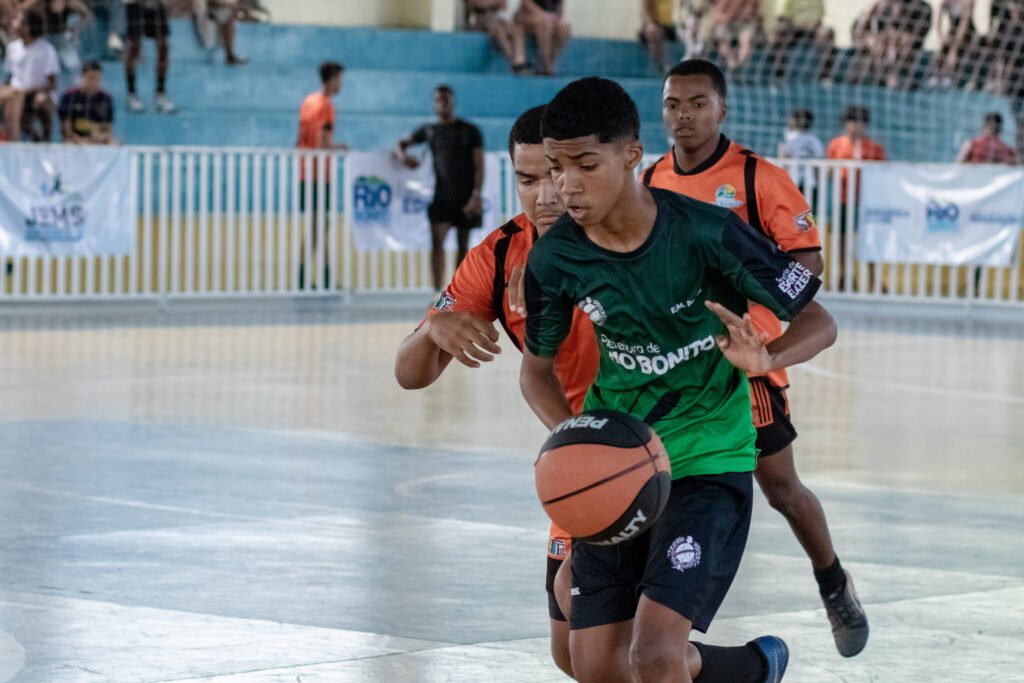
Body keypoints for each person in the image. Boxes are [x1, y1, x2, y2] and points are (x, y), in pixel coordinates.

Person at [522, 75, 838, 683]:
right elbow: (535, 372)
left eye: (585, 165)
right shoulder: (556, 258)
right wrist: (578, 443)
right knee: (595, 667)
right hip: (620, 464)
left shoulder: (706, 231)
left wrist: (767, 358)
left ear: (632, 155)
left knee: (655, 654)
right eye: (557, 168)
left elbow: (820, 321)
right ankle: (751, 669)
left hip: (706, 462)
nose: (566, 185)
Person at [641, 60, 868, 659]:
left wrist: (756, 309)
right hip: (675, 367)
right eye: (672, 104)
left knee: (781, 488)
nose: (683, 115)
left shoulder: (757, 177)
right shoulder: (650, 179)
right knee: (663, 482)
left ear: (722, 109)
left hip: (746, 365)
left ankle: (832, 580)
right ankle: (663, 615)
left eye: (697, 103)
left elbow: (807, 265)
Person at [396, 105, 598, 678]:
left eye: (555, 174)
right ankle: (750, 667)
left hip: (663, 448)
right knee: (572, 654)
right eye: (527, 179)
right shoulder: (501, 252)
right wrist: (435, 328)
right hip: (588, 457)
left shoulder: (628, 235)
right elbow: (409, 373)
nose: (545, 196)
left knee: (616, 640)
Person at [395, 85, 484, 292]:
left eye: (446, 99)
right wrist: (403, 158)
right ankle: (437, 293)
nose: (442, 103)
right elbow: (402, 144)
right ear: (434, 104)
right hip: (442, 197)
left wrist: (476, 195)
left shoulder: (470, 131)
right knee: (437, 244)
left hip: (465, 197)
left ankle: (459, 293)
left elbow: (479, 166)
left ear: (453, 102)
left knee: (463, 246)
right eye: (438, 100)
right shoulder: (429, 131)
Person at [296, 61, 346, 288]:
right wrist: (341, 147)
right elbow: (323, 143)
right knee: (319, 225)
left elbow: (300, 139)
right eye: (339, 79)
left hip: (305, 171)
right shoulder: (326, 106)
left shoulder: (308, 101)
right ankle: (306, 277)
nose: (341, 84)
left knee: (319, 224)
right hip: (319, 174)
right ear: (332, 79)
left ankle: (320, 276)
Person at [827, 105, 886, 291]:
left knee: (870, 240)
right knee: (842, 239)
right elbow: (829, 171)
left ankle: (874, 280)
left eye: (860, 122)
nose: (856, 125)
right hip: (844, 198)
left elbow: (884, 173)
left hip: (867, 201)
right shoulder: (836, 145)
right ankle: (844, 277)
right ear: (845, 124)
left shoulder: (874, 148)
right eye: (852, 121)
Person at [0, 11, 58, 141]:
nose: (14, 24)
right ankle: (11, 137)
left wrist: (27, 91)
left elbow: (52, 83)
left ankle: (46, 139)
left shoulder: (46, 49)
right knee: (11, 95)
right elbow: (9, 76)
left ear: (28, 26)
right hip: (15, 91)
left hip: (35, 92)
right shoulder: (12, 47)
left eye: (18, 21)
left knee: (41, 100)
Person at [123, 0, 175, 113]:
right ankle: (132, 94)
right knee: (134, 47)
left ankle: (160, 94)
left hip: (157, 4)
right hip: (135, 4)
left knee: (163, 46)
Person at [767, 0, 835, 84]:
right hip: (793, 29)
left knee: (827, 33)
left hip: (812, 30)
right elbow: (784, 17)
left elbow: (819, 19)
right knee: (781, 32)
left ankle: (825, 76)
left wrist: (813, 28)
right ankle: (777, 75)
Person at [18, 0, 93, 74]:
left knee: (73, 66)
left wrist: (75, 29)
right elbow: (23, 8)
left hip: (60, 39)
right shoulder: (40, 4)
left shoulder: (69, 3)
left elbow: (87, 15)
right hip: (42, 40)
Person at [464, 0, 529, 74]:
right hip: (480, 21)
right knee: (497, 28)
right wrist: (492, 4)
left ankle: (518, 60)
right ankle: (513, 60)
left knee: (512, 28)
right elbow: (475, 4)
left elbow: (503, 6)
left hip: (497, 20)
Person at [58, 59, 114, 144]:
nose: (93, 82)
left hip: (97, 140)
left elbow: (108, 128)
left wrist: (102, 137)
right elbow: (65, 128)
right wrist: (77, 139)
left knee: (114, 143)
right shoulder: (70, 96)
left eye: (97, 78)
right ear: (82, 77)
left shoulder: (105, 98)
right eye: (90, 78)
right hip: (75, 141)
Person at [777, 108, 825, 203]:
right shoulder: (815, 141)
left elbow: (782, 159)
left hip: (792, 181)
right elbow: (819, 161)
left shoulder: (788, 139)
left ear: (794, 121)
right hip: (810, 181)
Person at [513, 0, 570, 76]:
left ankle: (551, 60)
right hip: (528, 16)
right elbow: (525, 3)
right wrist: (543, 15)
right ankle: (544, 61)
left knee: (564, 27)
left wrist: (555, 18)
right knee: (545, 24)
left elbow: (559, 11)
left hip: (546, 19)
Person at [712, 0, 761, 73]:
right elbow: (716, 8)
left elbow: (755, 8)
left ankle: (740, 63)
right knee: (723, 40)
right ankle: (731, 62)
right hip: (725, 20)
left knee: (745, 40)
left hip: (745, 21)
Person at [639, 0, 679, 75]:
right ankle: (663, 66)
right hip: (657, 24)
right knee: (653, 32)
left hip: (676, 25)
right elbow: (644, 12)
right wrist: (649, 24)